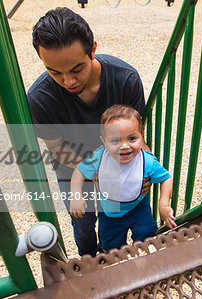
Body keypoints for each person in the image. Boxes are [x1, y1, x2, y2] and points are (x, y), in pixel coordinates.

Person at [27, 7, 151, 257]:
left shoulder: (125, 79)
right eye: (54, 72)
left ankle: (119, 257)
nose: (68, 81)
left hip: (119, 162)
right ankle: (89, 264)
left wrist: (145, 167)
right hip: (71, 168)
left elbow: (136, 134)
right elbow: (57, 149)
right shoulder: (39, 98)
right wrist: (95, 171)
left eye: (76, 69)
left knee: (125, 215)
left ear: (93, 48)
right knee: (83, 226)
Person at [70, 105, 177, 252]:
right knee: (111, 248)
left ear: (141, 135)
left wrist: (164, 204)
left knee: (148, 239)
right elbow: (79, 172)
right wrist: (76, 195)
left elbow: (166, 178)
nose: (125, 146)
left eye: (132, 138)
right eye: (115, 141)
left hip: (138, 209)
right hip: (110, 213)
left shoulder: (146, 161)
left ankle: (145, 264)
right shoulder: (98, 157)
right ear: (104, 141)